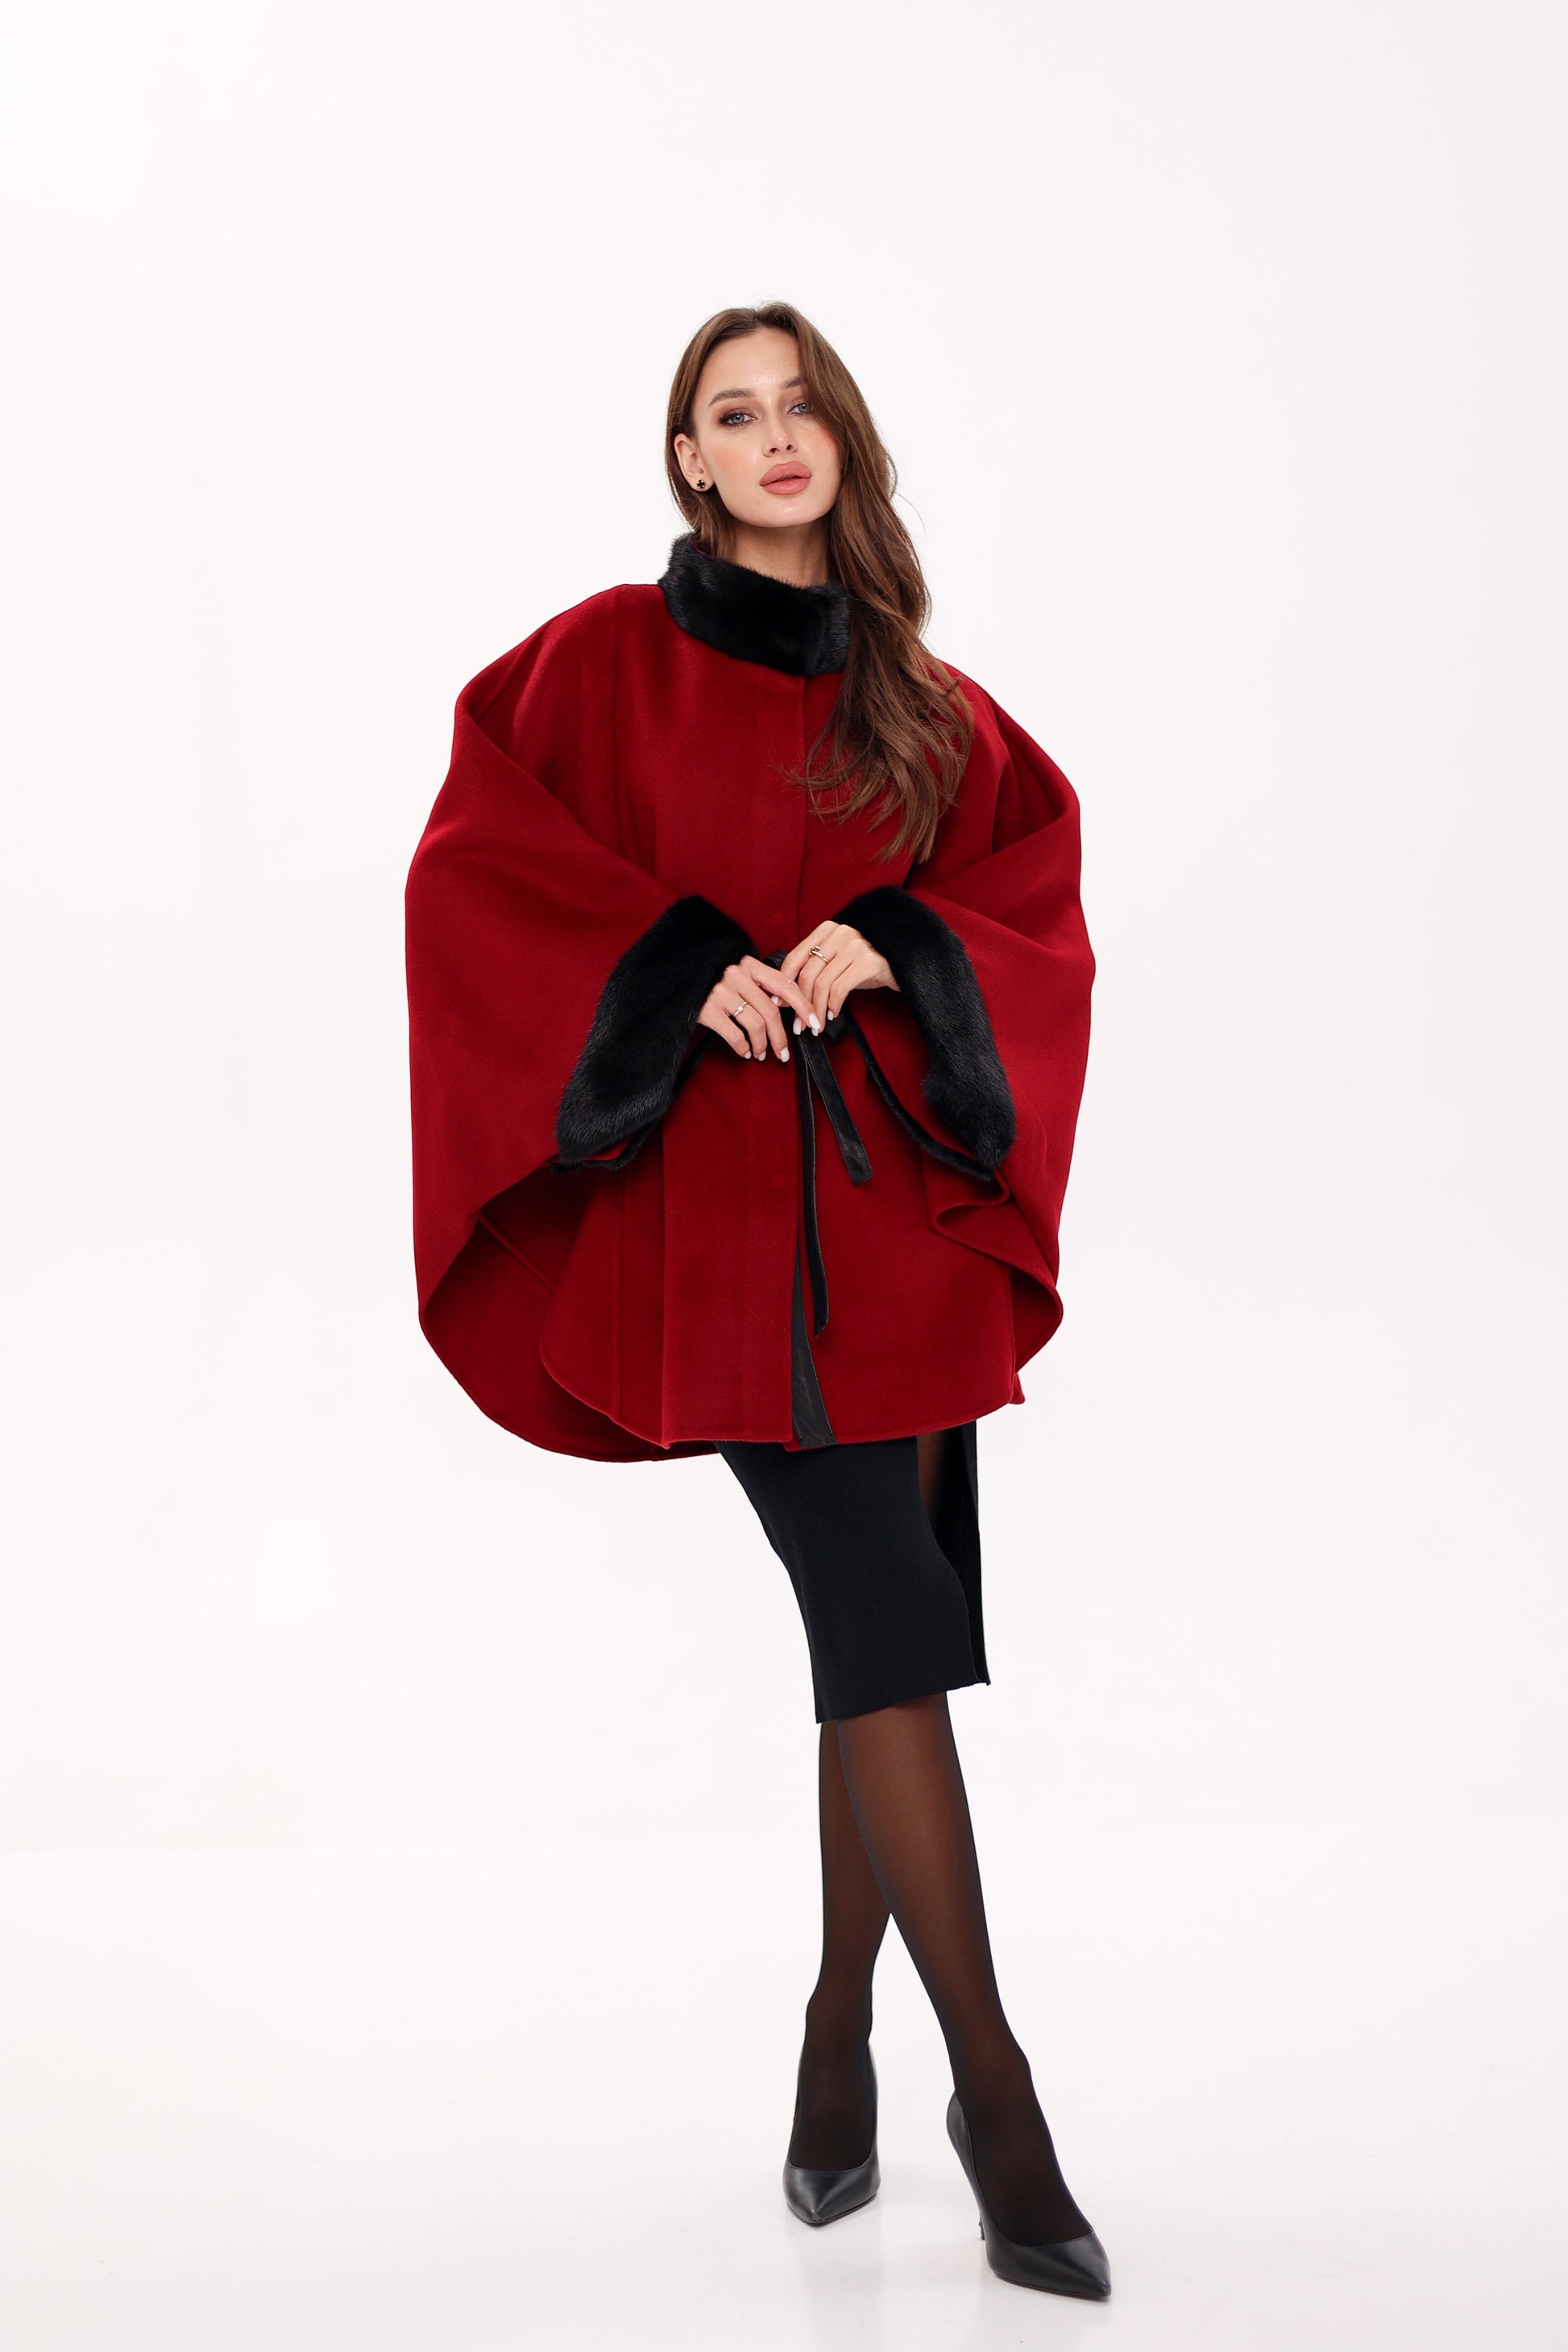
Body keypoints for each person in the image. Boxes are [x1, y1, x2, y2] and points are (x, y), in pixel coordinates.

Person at [403, 302, 1105, 2300]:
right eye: (734, 410)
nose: (774, 434)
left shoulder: (925, 704)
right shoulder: (589, 669)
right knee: (884, 1623)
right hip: (717, 1244)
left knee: (874, 1640)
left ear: (838, 439)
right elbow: (473, 873)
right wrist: (664, 965)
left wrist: (900, 945)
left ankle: (832, 2032)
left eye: (800, 404)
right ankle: (999, 2095)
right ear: (689, 459)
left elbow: (1032, 899)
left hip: (897, 1238)